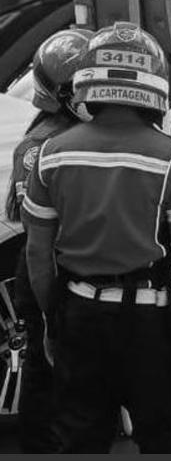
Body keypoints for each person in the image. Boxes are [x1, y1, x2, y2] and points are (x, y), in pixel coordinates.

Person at [22, 21, 171, 453]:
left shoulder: (50, 155)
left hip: (80, 317)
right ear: (155, 87)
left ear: (89, 81)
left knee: (80, 438)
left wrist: (54, 323)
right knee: (168, 439)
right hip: (153, 325)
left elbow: (38, 255)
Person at [4, 27, 93, 452]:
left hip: (49, 262)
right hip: (56, 265)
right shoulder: (47, 143)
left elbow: (15, 214)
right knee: (54, 361)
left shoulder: (39, 136)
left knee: (53, 361)